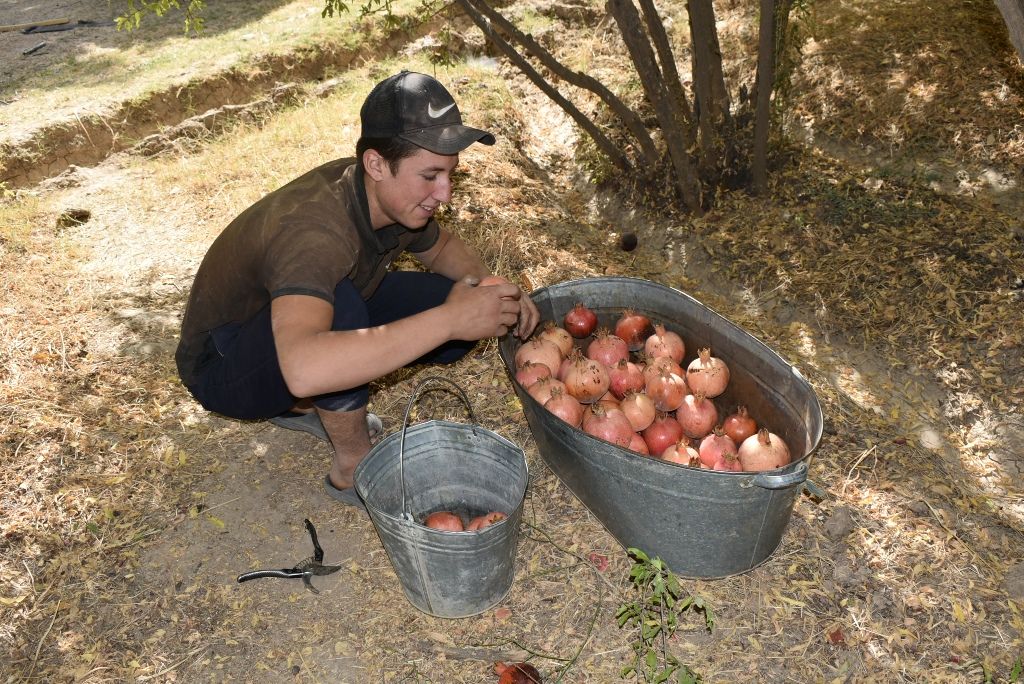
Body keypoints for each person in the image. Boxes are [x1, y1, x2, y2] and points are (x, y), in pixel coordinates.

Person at [175, 70, 540, 508]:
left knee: (454, 297)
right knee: (344, 303)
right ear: (376, 164)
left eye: (450, 174)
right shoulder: (315, 232)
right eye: (430, 176)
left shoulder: (382, 195)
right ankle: (352, 466)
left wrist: (494, 289)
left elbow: (440, 248)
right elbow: (305, 367)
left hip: (281, 332)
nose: (444, 193)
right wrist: (448, 321)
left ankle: (302, 407)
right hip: (223, 365)